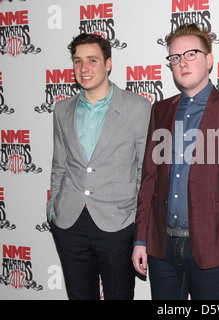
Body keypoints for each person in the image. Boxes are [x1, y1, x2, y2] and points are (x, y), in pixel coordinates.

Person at [132, 23, 219, 300]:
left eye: (191, 54)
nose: (182, 63)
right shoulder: (160, 111)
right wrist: (141, 239)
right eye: (175, 58)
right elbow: (148, 179)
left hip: (212, 248)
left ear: (209, 60)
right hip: (162, 248)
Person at [47, 33, 151, 300]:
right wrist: (53, 209)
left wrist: (134, 220)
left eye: (92, 60)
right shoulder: (62, 110)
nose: (84, 68)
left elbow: (145, 170)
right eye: (78, 61)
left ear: (108, 64)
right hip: (69, 223)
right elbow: (59, 164)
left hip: (117, 224)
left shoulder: (137, 107)